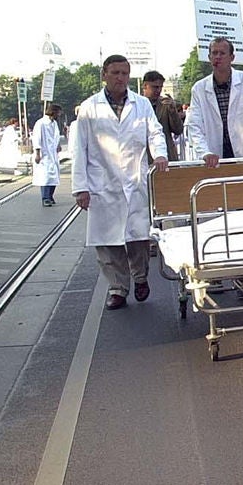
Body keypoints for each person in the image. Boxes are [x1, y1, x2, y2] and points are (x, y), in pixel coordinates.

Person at [72, 55, 169, 310]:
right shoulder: (89, 108)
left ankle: (140, 277)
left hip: (134, 178)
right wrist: (80, 187)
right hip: (102, 181)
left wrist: (160, 154)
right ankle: (118, 287)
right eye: (115, 73)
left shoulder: (141, 104)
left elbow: (155, 132)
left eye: (124, 73)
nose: (120, 78)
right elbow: (79, 149)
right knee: (108, 242)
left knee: (138, 237)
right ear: (104, 74)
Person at [185, 39, 243, 167]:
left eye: (222, 53)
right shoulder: (199, 89)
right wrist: (204, 152)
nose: (218, 57)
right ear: (209, 57)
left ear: (232, 57)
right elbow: (195, 125)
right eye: (214, 53)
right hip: (213, 159)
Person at [141, 71, 185, 162]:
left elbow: (178, 130)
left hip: (167, 157)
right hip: (143, 158)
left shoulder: (166, 104)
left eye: (161, 87)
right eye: (155, 87)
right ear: (145, 86)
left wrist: (173, 112)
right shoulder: (136, 105)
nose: (158, 90)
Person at [31, 104, 64, 206]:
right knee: (45, 177)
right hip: (44, 153)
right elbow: (36, 138)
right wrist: (37, 153)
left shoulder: (54, 123)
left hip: (52, 153)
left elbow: (56, 135)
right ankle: (45, 198)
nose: (59, 115)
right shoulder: (41, 123)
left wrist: (58, 144)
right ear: (54, 112)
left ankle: (50, 196)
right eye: (58, 113)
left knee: (54, 176)